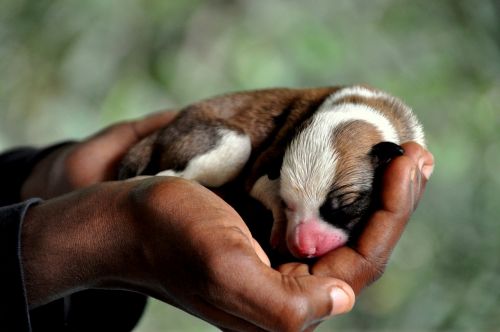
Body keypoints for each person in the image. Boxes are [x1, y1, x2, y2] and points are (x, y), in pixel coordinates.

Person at [0, 111, 434, 332]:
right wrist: (90, 237)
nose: (302, 242)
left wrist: (39, 176)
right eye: (289, 206)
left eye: (337, 208)